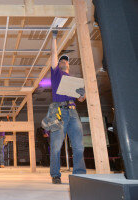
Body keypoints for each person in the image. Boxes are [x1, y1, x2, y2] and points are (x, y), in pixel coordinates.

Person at [48, 30, 86, 184]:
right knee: (56, 146)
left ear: (69, 65)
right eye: (61, 60)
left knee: (79, 146)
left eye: (66, 60)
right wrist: (54, 38)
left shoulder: (72, 79)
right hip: (59, 112)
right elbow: (53, 55)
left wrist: (82, 94)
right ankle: (55, 175)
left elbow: (82, 99)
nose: (63, 61)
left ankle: (79, 174)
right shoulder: (57, 74)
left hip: (73, 112)